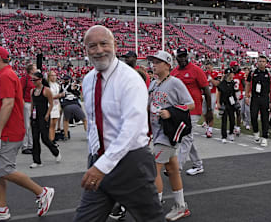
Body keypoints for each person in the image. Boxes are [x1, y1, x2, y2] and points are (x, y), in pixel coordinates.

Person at [73, 25, 164, 222]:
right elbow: (95, 122)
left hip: (131, 164)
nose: (98, 50)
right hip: (100, 160)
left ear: (115, 45)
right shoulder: (88, 80)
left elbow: (131, 128)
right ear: (85, 50)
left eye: (104, 44)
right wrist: (94, 156)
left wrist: (102, 165)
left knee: (151, 219)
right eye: (92, 46)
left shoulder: (130, 79)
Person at [0, 47, 54, 220]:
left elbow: (8, 104)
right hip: (5, 131)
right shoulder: (4, 75)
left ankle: (42, 192)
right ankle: (1, 208)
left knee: (5, 170)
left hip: (7, 132)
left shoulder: (5, 76)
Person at [148, 50, 194, 220]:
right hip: (156, 132)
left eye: (157, 62)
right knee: (172, 169)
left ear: (167, 65)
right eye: (152, 62)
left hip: (168, 133)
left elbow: (190, 104)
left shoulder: (175, 83)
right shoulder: (153, 84)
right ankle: (181, 206)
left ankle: (154, 207)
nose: (153, 65)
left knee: (153, 169)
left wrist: (170, 111)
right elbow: (148, 106)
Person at [171, 47, 211, 176]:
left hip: (194, 109)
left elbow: (206, 90)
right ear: (176, 57)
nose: (182, 58)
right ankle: (198, 164)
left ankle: (178, 167)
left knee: (186, 137)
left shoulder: (196, 70)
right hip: (179, 110)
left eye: (184, 56)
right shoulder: (174, 72)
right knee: (188, 138)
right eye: (180, 56)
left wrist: (209, 109)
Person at [29, 72, 62, 168]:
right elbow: (32, 104)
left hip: (44, 117)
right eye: (32, 80)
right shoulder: (32, 91)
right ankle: (36, 160)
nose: (33, 82)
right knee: (35, 139)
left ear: (40, 80)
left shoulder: (46, 90)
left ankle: (55, 152)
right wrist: (31, 115)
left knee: (45, 138)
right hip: (35, 117)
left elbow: (51, 104)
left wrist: (47, 114)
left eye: (35, 80)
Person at [245, 56, 271, 147]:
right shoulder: (252, 72)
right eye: (260, 61)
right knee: (253, 116)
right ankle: (256, 132)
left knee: (265, 118)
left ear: (266, 62)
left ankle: (264, 137)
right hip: (255, 97)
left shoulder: (269, 73)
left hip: (265, 98)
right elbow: (248, 84)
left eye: (263, 61)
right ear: (257, 62)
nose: (261, 63)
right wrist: (246, 96)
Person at [216, 68, 239, 143]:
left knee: (232, 119)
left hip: (231, 103)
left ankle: (231, 133)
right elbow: (219, 94)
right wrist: (218, 103)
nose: (233, 75)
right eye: (232, 73)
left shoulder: (233, 83)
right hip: (224, 103)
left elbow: (234, 93)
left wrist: (236, 102)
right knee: (224, 120)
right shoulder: (222, 84)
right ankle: (224, 136)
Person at [20, 63, 37, 155]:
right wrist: (22, 101)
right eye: (35, 68)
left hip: (33, 104)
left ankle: (31, 145)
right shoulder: (25, 79)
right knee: (26, 125)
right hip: (26, 103)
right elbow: (19, 90)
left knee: (32, 125)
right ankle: (25, 145)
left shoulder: (34, 79)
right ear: (31, 70)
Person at [46, 70, 63, 142]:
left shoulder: (57, 85)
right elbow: (48, 96)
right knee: (51, 123)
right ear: (49, 77)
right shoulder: (47, 85)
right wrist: (57, 96)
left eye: (55, 75)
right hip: (50, 105)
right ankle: (50, 139)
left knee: (54, 123)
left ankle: (53, 138)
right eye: (52, 75)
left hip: (56, 104)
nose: (54, 77)